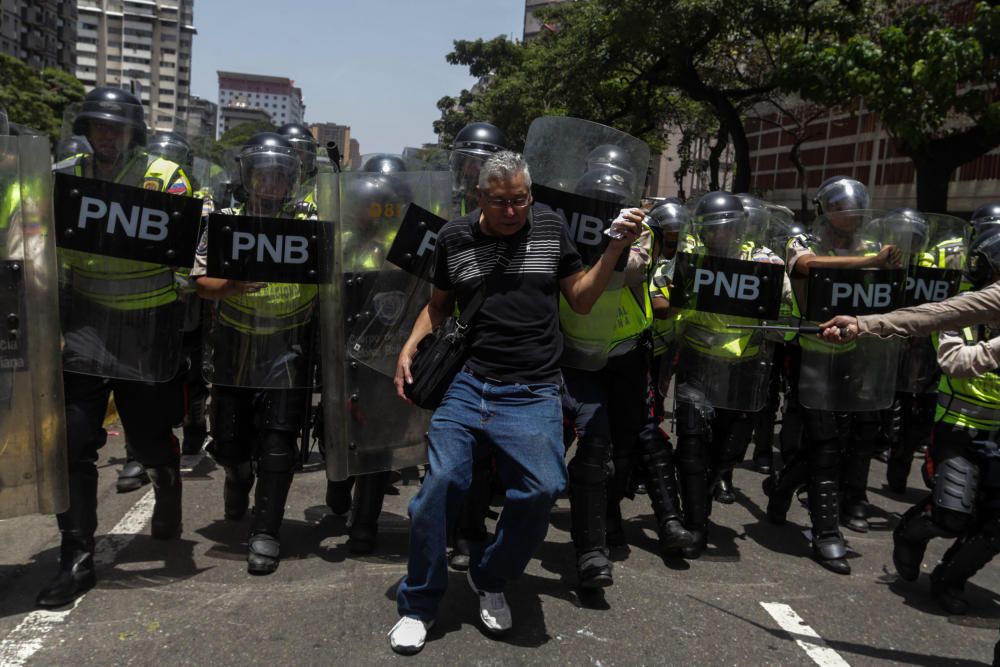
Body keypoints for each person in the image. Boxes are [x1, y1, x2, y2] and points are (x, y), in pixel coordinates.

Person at [388, 151, 642, 654]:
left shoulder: (550, 228)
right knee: (440, 487)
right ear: (479, 197)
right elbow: (439, 308)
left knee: (543, 487)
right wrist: (408, 346)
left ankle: (491, 574)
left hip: (533, 388)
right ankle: (419, 602)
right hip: (469, 380)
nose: (513, 211)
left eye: (521, 199)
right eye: (501, 201)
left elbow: (582, 299)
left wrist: (614, 249)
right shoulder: (455, 238)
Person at [38, 87, 193, 607]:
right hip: (83, 324)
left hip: (147, 326)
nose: (106, 135)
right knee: (73, 439)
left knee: (147, 438)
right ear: (86, 128)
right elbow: (32, 233)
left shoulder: (165, 178)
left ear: (135, 133)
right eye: (98, 126)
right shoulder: (64, 174)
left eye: (116, 127)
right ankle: (76, 556)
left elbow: (191, 247)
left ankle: (166, 475)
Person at [194, 132, 317, 575]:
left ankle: (266, 531)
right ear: (247, 178)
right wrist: (231, 286)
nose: (271, 185)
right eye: (262, 176)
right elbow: (200, 282)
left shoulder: (309, 218)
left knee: (278, 439)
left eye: (280, 177)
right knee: (230, 441)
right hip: (235, 341)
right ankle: (236, 475)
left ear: (291, 181)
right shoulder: (224, 220)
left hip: (288, 342)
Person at [765, 176, 900, 573]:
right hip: (814, 357)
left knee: (840, 441)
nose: (850, 218)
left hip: (858, 358)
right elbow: (805, 267)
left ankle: (781, 487)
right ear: (826, 210)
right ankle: (826, 534)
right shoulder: (802, 242)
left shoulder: (872, 246)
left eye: (855, 211)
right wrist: (868, 264)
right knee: (824, 445)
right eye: (842, 210)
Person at [891, 224, 1000, 616]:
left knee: (995, 525)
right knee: (953, 514)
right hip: (958, 428)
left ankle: (949, 579)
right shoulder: (961, 311)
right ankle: (909, 530)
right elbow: (955, 363)